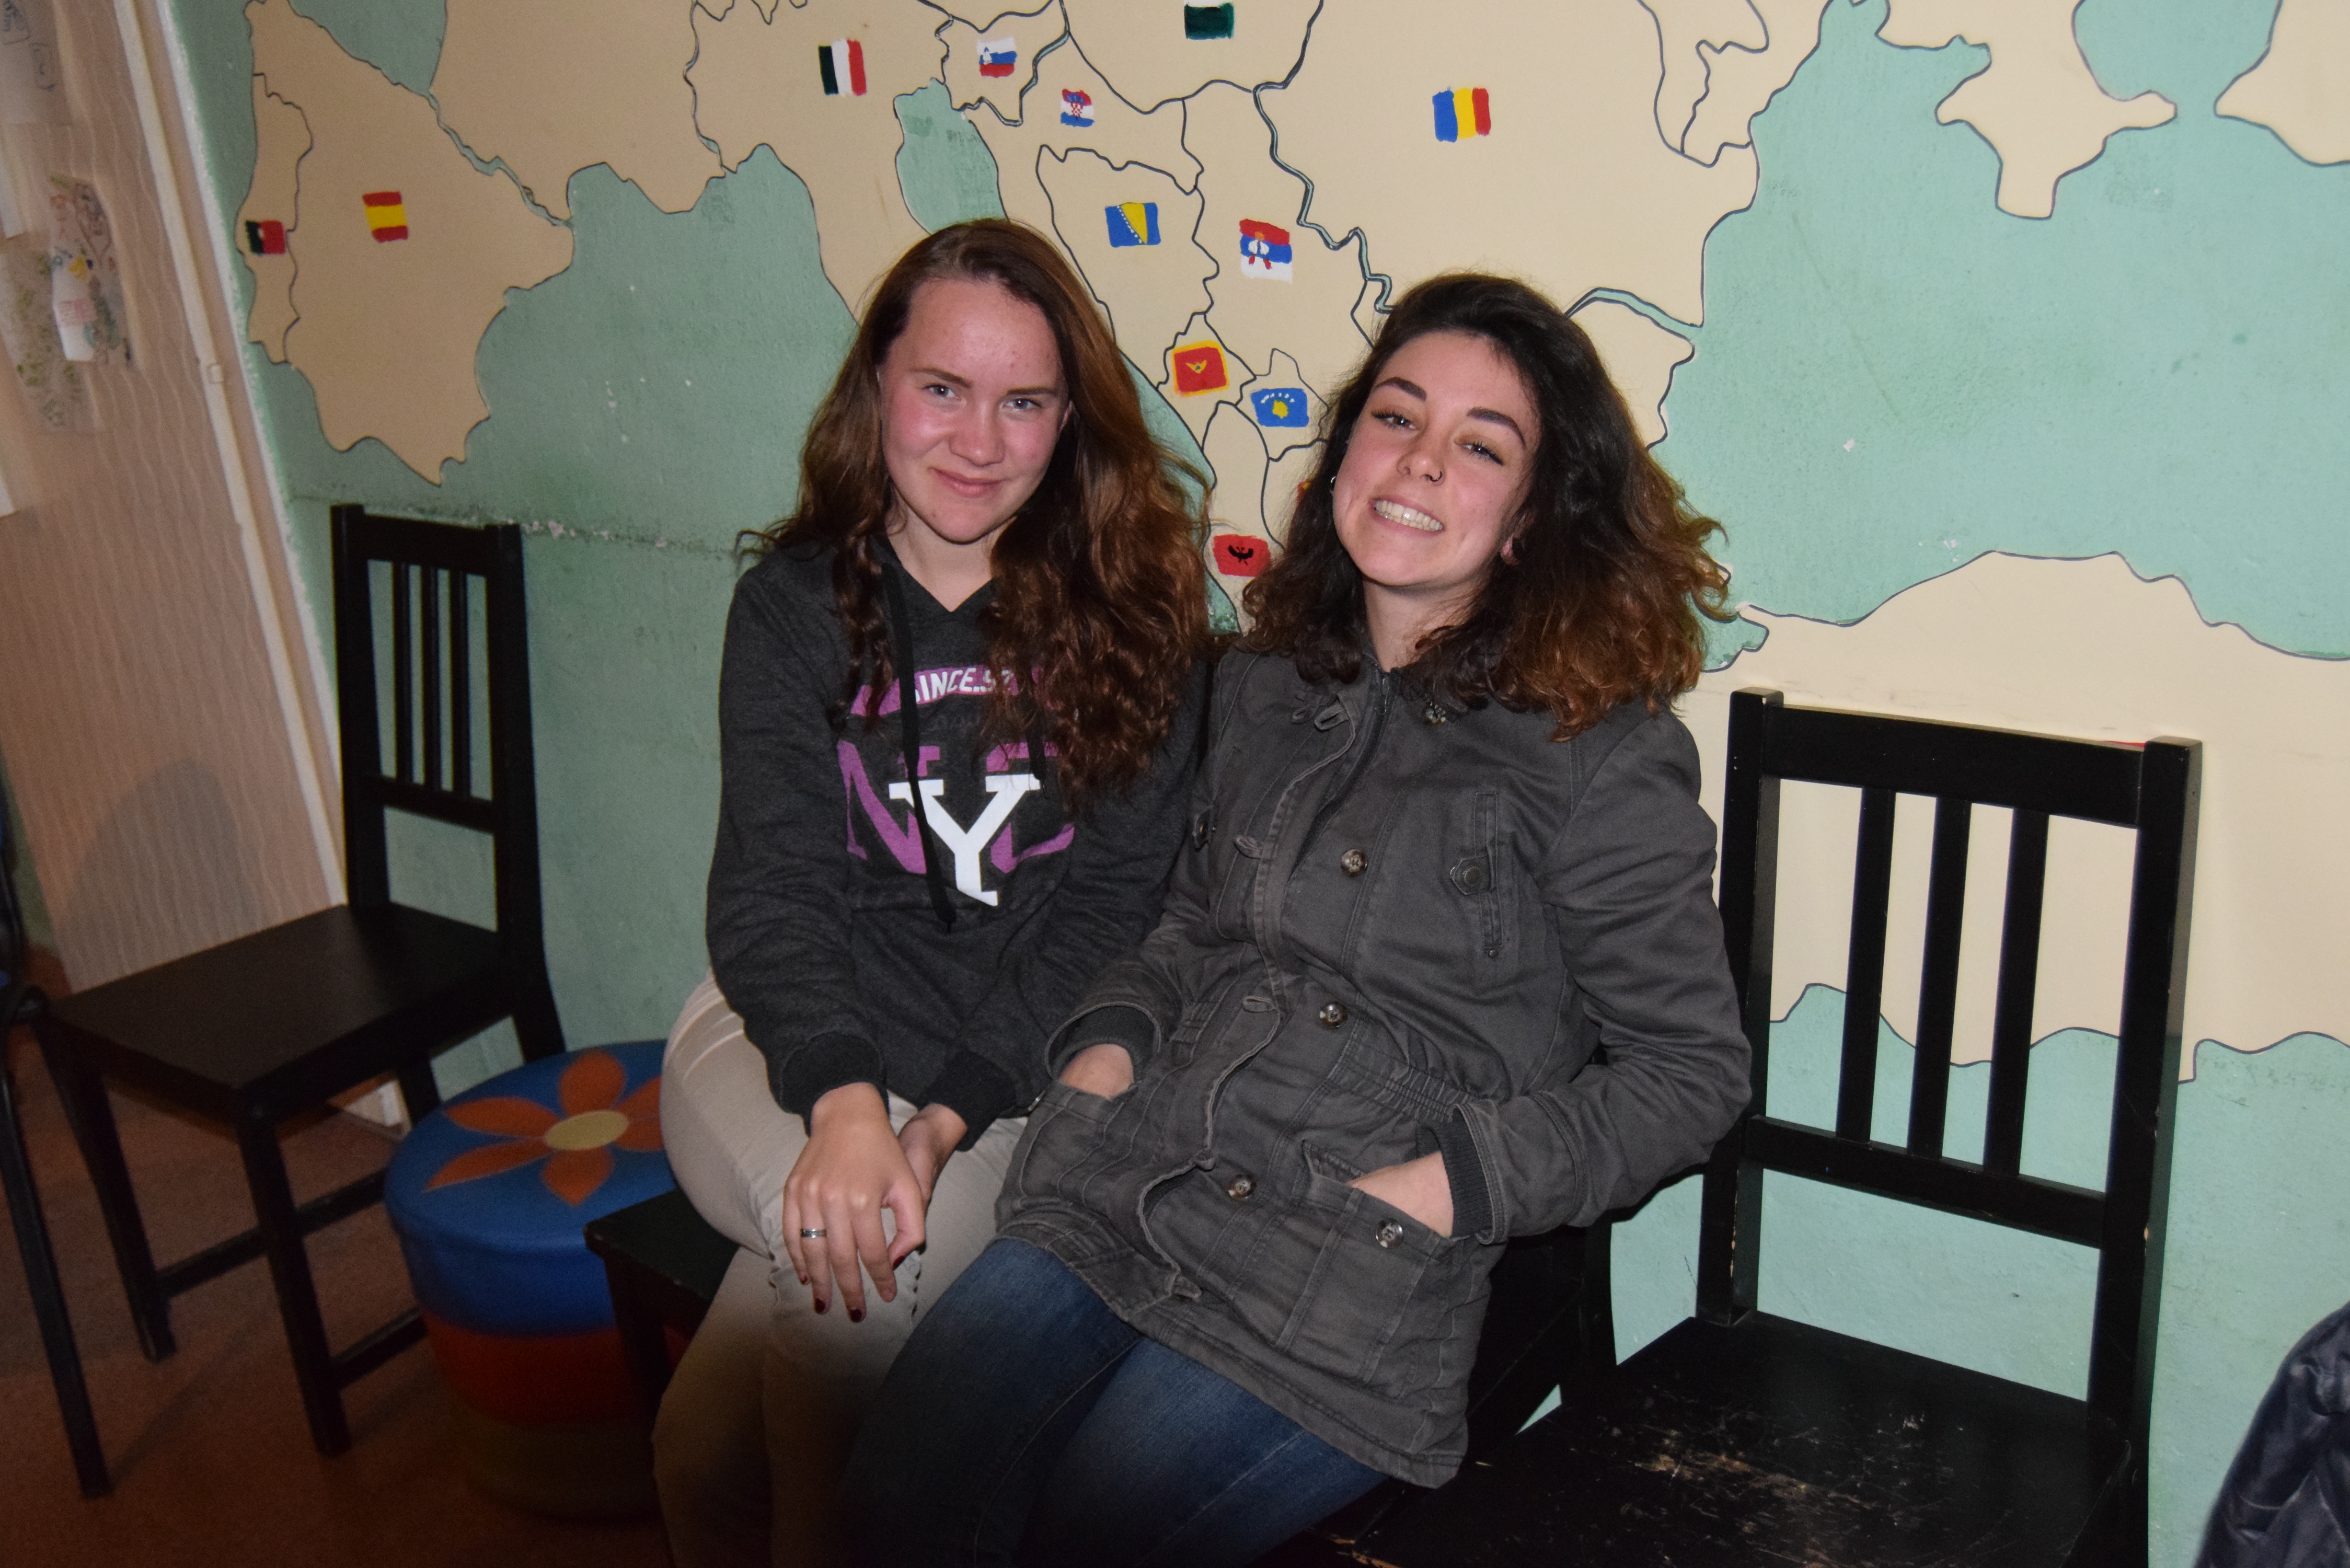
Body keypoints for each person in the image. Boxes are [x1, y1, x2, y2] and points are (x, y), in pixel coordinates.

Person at [840, 272, 1757, 1567]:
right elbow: (1183, 924)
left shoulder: (1596, 754)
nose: (1419, 461)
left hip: (1345, 1260)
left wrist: (1451, 1186)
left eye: (1481, 446)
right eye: (1397, 416)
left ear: (1530, 518)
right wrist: (1105, 1052)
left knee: (1082, 1534)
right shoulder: (1263, 686)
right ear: (1343, 454)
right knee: (894, 1491)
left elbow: (1690, 1074)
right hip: (1129, 1171)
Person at [653, 220, 1212, 1568]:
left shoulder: (1143, 622)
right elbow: (774, 894)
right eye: (942, 388)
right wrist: (847, 1105)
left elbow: (1108, 918)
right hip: (779, 1038)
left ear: (1069, 422)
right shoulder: (791, 607)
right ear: (877, 389)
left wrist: (942, 1118)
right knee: (842, 1285)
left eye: (1023, 402)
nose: (977, 440)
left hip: (1002, 1076)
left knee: (711, 1444)